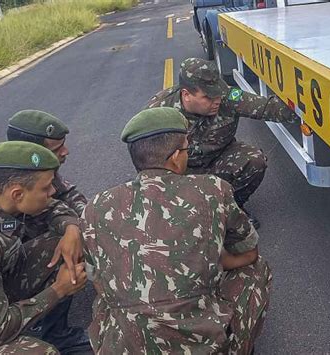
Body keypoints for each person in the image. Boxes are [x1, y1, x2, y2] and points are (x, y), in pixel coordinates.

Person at [83, 107, 272, 354]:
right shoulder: (212, 189)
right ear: (174, 157)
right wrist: (211, 261)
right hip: (202, 346)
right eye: (186, 149)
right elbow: (249, 253)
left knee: (108, 300)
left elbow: (96, 278)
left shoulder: (95, 206)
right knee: (256, 270)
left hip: (125, 347)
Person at [0, 109, 90, 352]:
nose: (53, 192)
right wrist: (58, 290)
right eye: (46, 188)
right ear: (17, 194)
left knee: (65, 244)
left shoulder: (3, 184)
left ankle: (56, 334)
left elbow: (57, 205)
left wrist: (71, 228)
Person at [146, 58, 298, 228]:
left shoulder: (226, 97)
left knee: (254, 160)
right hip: (182, 171)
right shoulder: (159, 111)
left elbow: (266, 108)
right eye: (208, 97)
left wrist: (304, 108)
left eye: (218, 93)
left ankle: (231, 210)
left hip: (218, 161)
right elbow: (147, 162)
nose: (217, 100)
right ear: (186, 95)